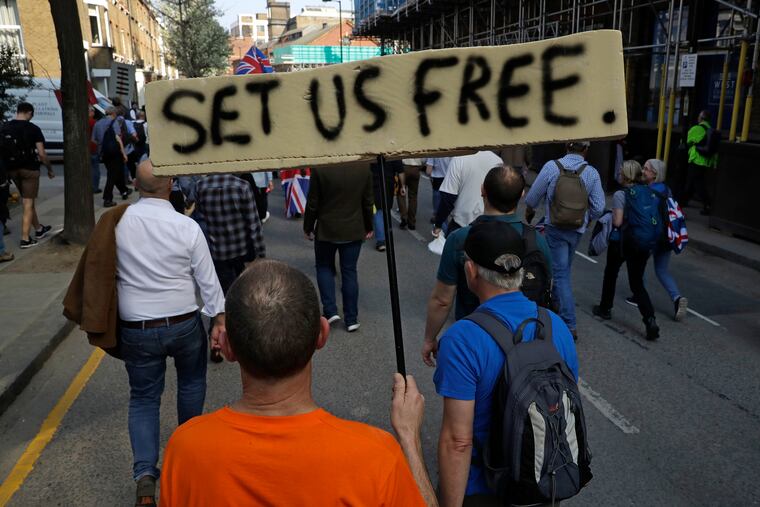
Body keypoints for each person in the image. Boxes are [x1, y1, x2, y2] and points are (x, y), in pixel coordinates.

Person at [159, 260, 437, 507]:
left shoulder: (185, 449)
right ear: (322, 335)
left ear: (227, 347)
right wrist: (409, 438)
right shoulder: (376, 456)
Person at [433, 221, 578, 506]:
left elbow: (458, 443)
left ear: (471, 271)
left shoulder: (462, 339)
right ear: (521, 272)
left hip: (485, 488)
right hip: (543, 483)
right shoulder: (556, 327)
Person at [115, 159, 226, 506]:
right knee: (191, 384)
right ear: (171, 185)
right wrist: (219, 321)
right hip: (182, 323)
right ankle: (187, 457)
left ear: (135, 184)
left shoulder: (116, 224)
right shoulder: (187, 227)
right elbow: (208, 282)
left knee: (144, 398)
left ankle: (145, 477)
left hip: (137, 328)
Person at [422, 165, 552, 366]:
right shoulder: (537, 240)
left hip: (474, 339)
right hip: (526, 341)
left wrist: (430, 339)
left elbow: (442, 300)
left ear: (482, 190)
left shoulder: (460, 239)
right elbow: (548, 289)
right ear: (522, 195)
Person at [525, 141, 605, 340]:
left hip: (555, 228)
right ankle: (558, 310)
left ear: (567, 146)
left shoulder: (552, 167)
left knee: (560, 275)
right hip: (577, 229)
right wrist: (586, 221)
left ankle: (569, 323)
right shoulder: (592, 173)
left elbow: (532, 197)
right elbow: (599, 207)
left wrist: (531, 210)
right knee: (564, 271)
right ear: (586, 149)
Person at [592, 160, 660, 340]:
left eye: (621, 172)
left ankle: (605, 308)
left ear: (626, 175)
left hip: (622, 243)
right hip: (643, 243)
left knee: (611, 273)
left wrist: (610, 213)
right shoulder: (648, 192)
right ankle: (650, 319)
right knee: (637, 283)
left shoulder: (621, 195)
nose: (618, 174)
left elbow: (617, 222)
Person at [304, 163, 374, 332]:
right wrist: (369, 225)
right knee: (349, 271)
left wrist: (308, 226)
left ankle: (330, 310)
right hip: (353, 228)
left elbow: (313, 201)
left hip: (327, 228)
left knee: (324, 267)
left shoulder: (320, 168)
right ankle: (351, 318)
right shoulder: (363, 167)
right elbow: (367, 200)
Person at [632, 158, 688, 321]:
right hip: (667, 237)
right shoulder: (666, 190)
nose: (643, 171)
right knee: (662, 270)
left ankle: (638, 296)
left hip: (653, 237)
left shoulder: (650, 193)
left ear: (654, 174)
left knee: (638, 264)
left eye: (646, 169)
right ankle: (677, 298)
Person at [195, 173, 266, 294]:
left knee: (226, 293)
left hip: (217, 251)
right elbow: (253, 223)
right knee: (245, 292)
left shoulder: (200, 186)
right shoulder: (242, 186)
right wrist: (260, 252)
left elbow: (201, 220)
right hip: (242, 250)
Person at [1, 102, 54, 248]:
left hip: (12, 169)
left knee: (26, 200)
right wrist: (49, 169)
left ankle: (38, 229)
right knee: (28, 202)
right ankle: (25, 239)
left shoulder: (5, 127)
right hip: (29, 169)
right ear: (29, 113)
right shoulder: (33, 129)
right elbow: (42, 154)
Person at [432, 151, 503, 237]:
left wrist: (438, 224)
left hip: (461, 223)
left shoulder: (459, 159)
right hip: (489, 225)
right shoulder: (497, 160)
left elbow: (448, 198)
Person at [92, 105, 133, 208]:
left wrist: (102, 144)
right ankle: (107, 198)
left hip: (104, 153)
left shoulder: (97, 123)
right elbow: (118, 139)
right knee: (112, 175)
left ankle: (124, 190)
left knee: (115, 172)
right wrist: (123, 153)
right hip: (115, 152)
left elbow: (93, 140)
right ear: (114, 114)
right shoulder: (114, 123)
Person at [682, 110, 718, 216]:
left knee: (698, 184)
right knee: (692, 182)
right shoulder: (712, 130)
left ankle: (708, 204)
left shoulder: (696, 129)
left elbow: (688, 141)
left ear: (701, 118)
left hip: (696, 160)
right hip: (706, 162)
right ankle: (684, 200)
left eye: (699, 116)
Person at [371, 159, 404, 251]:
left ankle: (381, 241)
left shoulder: (372, 149)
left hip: (374, 183)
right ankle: (387, 237)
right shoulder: (391, 150)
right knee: (386, 210)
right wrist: (403, 186)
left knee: (378, 211)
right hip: (389, 184)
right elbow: (400, 170)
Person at [399, 158, 425, 230]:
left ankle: (404, 217)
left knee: (401, 194)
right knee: (413, 196)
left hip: (403, 167)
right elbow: (424, 159)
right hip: (415, 168)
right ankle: (411, 222)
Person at [426, 157, 451, 224]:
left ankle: (439, 225)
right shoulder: (452, 151)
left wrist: (430, 177)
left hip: (437, 180)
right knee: (446, 206)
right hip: (449, 180)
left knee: (437, 207)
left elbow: (428, 171)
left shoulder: (434, 151)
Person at [87, 106, 101, 193]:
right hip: (93, 147)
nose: (94, 113)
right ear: (90, 112)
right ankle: (94, 187)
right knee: (95, 169)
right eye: (93, 111)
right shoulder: (94, 122)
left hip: (86, 147)